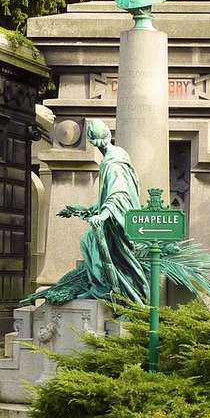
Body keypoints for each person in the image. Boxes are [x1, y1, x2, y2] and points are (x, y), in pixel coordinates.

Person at [55, 119, 149, 303]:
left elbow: (119, 193)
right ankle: (108, 289)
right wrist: (84, 210)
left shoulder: (112, 162)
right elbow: (110, 195)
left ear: (92, 141)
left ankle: (106, 290)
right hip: (117, 214)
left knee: (91, 242)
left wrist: (104, 214)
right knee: (95, 244)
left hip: (118, 218)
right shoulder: (120, 153)